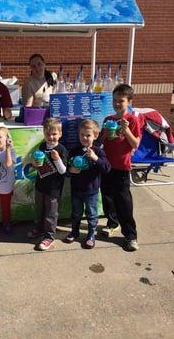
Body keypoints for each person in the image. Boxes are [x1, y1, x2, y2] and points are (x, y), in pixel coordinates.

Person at [100, 83, 141, 251]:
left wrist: (126, 131)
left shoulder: (132, 120)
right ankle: (112, 223)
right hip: (107, 166)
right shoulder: (108, 119)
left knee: (124, 202)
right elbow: (102, 141)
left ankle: (131, 236)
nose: (117, 103)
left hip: (122, 168)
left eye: (121, 101)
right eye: (115, 100)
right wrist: (104, 135)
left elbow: (135, 144)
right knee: (107, 197)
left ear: (129, 101)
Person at [65, 119, 110, 248]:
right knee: (76, 213)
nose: (85, 137)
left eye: (88, 135)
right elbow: (66, 170)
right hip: (76, 189)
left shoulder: (99, 151)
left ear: (95, 136)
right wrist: (71, 170)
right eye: (82, 135)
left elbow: (107, 168)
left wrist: (95, 158)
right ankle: (75, 231)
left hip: (91, 191)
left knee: (92, 214)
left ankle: (91, 234)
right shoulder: (74, 151)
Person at [27, 117, 68, 250]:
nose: (51, 137)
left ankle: (49, 236)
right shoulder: (42, 146)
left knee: (51, 213)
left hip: (53, 189)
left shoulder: (61, 150)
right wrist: (34, 164)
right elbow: (39, 165)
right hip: (40, 185)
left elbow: (63, 171)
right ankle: (39, 228)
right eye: (48, 134)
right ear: (44, 134)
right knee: (40, 209)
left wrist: (57, 159)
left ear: (60, 134)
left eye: (54, 134)